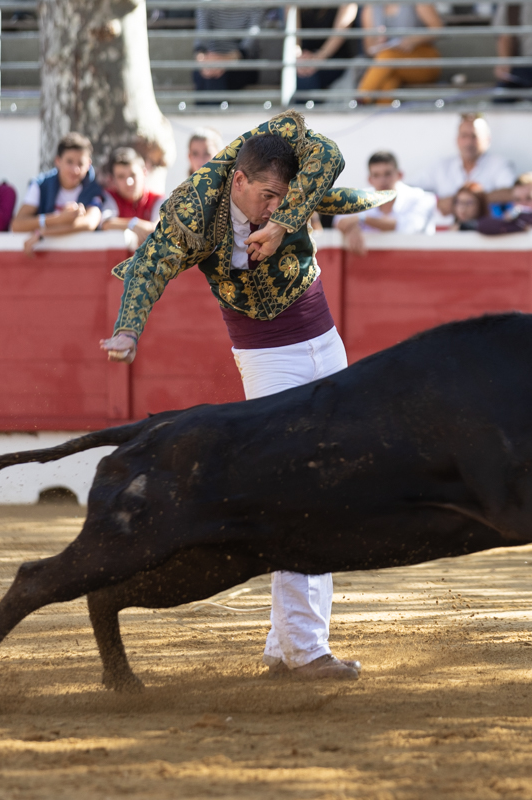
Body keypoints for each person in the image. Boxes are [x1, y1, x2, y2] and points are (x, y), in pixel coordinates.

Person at [99, 112, 391, 681]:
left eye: (284, 198)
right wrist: (130, 327)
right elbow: (151, 264)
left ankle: (286, 645)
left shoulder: (284, 164)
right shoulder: (194, 206)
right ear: (237, 182)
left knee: (327, 486)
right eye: (265, 198)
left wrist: (283, 221)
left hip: (326, 343)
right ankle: (306, 650)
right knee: (301, 489)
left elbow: (329, 160)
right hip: (268, 359)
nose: (271, 206)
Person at [12, 132, 105, 254]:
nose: (75, 169)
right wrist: (59, 219)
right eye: (69, 162)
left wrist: (42, 232)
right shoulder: (40, 185)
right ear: (58, 161)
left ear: (88, 164)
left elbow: (89, 223)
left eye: (80, 163)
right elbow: (17, 225)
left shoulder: (94, 188)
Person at [411, 114, 517, 217]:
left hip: (485, 233)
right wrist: (436, 202)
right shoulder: (441, 167)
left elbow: (512, 193)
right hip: (446, 232)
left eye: (474, 136)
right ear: (457, 139)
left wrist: (462, 201)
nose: (468, 142)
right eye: (464, 136)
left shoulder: (499, 164)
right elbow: (411, 191)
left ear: (487, 140)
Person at [334, 151, 436, 255]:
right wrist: (352, 228)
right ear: (370, 179)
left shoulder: (421, 198)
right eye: (376, 175)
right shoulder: (359, 198)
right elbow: (339, 219)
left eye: (387, 174)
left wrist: (362, 219)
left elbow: (409, 228)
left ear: (399, 175)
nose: (382, 180)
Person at [357, 3, 443, 103]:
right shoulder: (370, 8)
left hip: (423, 62)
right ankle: (383, 114)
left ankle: (360, 99)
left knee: (388, 57)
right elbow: (369, 48)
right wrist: (379, 44)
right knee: (388, 81)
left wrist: (413, 40)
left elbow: (438, 28)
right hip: (390, 66)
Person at [100, 147, 165, 246]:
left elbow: (158, 228)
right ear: (113, 180)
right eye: (121, 176)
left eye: (133, 174)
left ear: (144, 173)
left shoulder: (158, 200)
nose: (129, 182)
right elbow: (106, 223)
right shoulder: (109, 197)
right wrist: (133, 224)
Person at [192, 6, 263, 95]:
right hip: (209, 61)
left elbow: (249, 45)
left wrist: (224, 61)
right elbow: (201, 41)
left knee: (216, 78)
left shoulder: (254, 7)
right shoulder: (207, 5)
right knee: (206, 76)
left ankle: (210, 108)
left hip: (241, 63)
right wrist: (203, 61)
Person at [295, 4, 359, 93]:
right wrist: (298, 56)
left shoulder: (347, 5)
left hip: (333, 58)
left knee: (306, 80)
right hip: (302, 58)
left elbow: (340, 32)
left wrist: (316, 59)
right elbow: (293, 35)